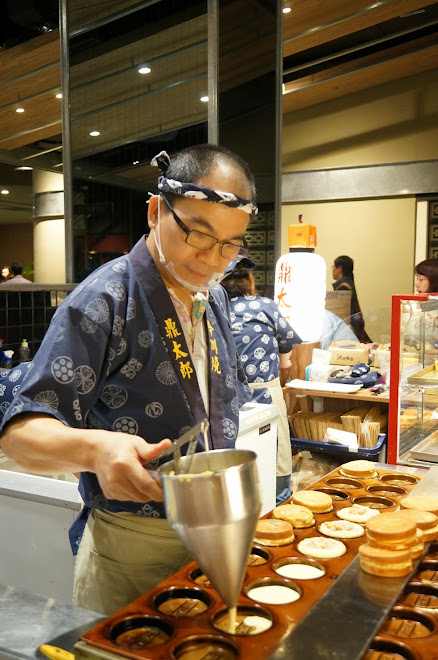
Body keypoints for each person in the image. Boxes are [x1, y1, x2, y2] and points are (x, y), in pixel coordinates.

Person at [0, 144, 257, 615]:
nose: (213, 259)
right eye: (199, 235)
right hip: (133, 545)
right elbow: (20, 435)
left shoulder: (213, 296)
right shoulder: (102, 300)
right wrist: (96, 450)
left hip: (216, 533)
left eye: (230, 244)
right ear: (156, 210)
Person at [221, 258, 301, 503]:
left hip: (230, 396)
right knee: (277, 448)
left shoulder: (217, 308)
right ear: (249, 281)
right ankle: (278, 497)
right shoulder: (264, 305)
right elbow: (288, 338)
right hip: (265, 389)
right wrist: (285, 361)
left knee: (239, 446)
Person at [332, 255, 372, 343]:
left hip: (349, 329)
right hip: (355, 326)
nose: (332, 269)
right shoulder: (348, 283)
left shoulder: (343, 288)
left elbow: (340, 315)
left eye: (333, 266)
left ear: (339, 269)